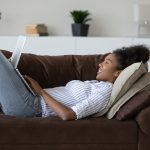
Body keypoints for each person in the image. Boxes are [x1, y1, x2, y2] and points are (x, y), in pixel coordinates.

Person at [0, 45, 149, 120]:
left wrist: (41, 91)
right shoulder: (96, 84)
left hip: (31, 106)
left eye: (107, 62)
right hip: (29, 98)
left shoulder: (105, 92)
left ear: (118, 73)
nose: (100, 64)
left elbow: (68, 115)